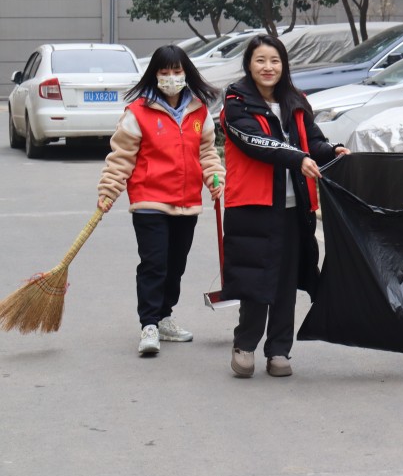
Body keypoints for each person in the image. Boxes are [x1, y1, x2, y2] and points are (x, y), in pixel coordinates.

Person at [221, 34, 349, 378]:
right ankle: (245, 346)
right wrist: (298, 157)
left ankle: (279, 350)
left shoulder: (296, 100)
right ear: (249, 64)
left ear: (284, 65)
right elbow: (255, 142)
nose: (268, 67)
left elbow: (314, 140)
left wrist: (331, 150)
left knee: (286, 282)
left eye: (275, 61)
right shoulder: (236, 102)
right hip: (253, 205)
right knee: (255, 280)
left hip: (296, 209)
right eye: (261, 60)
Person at [97, 44, 225, 356]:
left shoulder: (199, 113)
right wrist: (109, 190)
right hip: (149, 201)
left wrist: (215, 177)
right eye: (164, 72)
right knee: (154, 263)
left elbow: (207, 152)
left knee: (175, 264)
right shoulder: (138, 113)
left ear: (186, 74)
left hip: (187, 203)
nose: (171, 77)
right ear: (154, 75)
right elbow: (121, 158)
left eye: (177, 72)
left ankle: (166, 316)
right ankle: (149, 324)